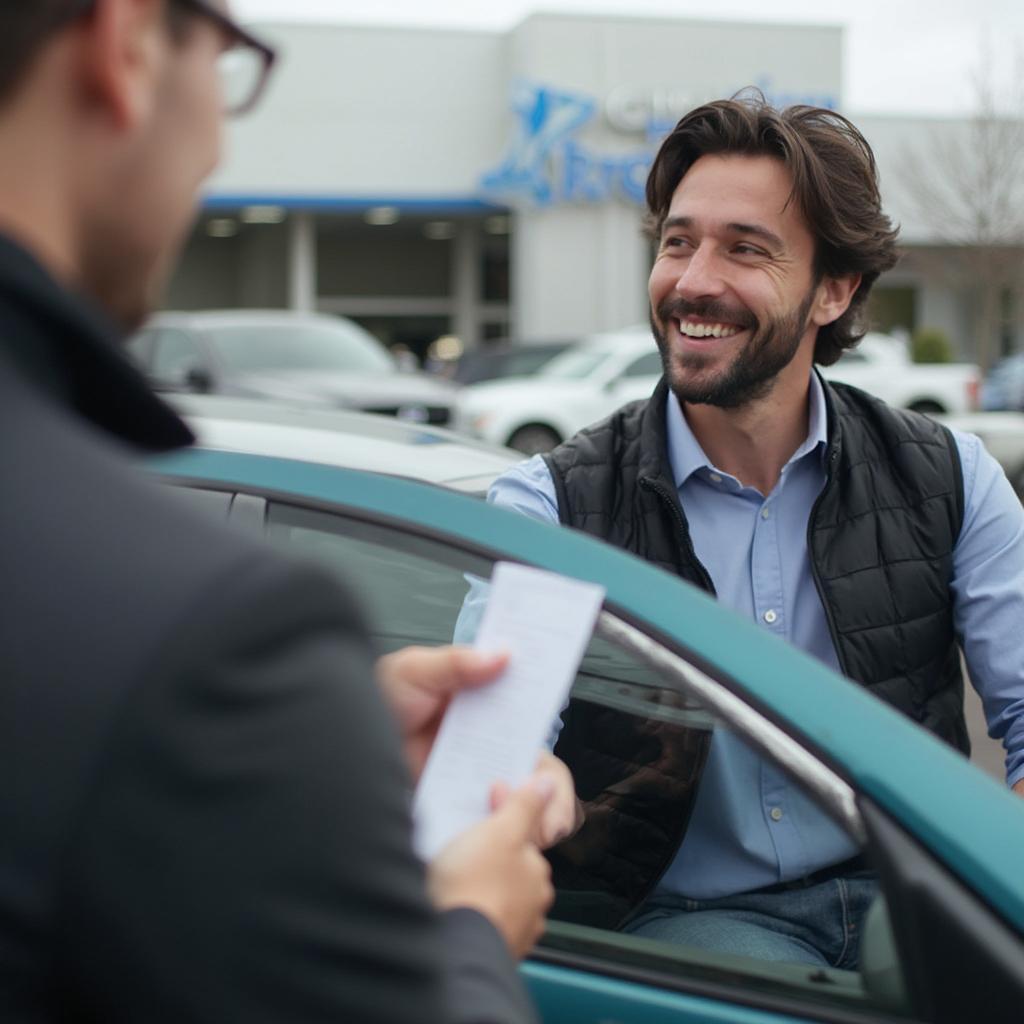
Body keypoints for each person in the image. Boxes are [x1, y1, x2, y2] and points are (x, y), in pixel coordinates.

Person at [0, 2, 576, 1021]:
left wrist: (321, 735)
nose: (217, 146)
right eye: (226, 63)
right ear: (126, 42)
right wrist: (471, 932)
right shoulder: (209, 631)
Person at [487, 94, 1024, 969]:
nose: (694, 280)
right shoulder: (552, 504)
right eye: (677, 241)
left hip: (919, 898)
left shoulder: (950, 478)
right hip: (691, 922)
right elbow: (501, 748)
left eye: (745, 248)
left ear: (834, 289)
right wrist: (527, 790)